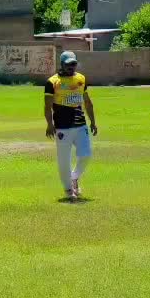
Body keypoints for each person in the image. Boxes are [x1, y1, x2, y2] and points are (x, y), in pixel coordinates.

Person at [44, 50, 98, 200]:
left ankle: (74, 177)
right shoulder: (52, 82)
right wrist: (49, 124)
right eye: (68, 64)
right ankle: (68, 189)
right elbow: (47, 106)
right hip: (62, 126)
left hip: (80, 124)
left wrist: (93, 122)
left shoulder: (81, 78)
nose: (71, 67)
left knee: (86, 155)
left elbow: (87, 102)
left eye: (73, 64)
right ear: (62, 64)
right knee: (64, 160)